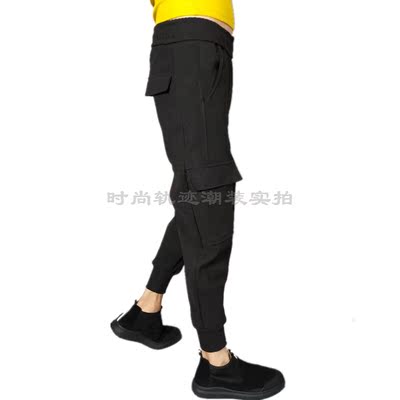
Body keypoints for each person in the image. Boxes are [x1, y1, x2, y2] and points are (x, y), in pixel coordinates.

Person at [111, 1, 286, 398]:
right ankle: (215, 361)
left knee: (198, 193)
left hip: (208, 44)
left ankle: (145, 309)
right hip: (188, 42)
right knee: (208, 195)